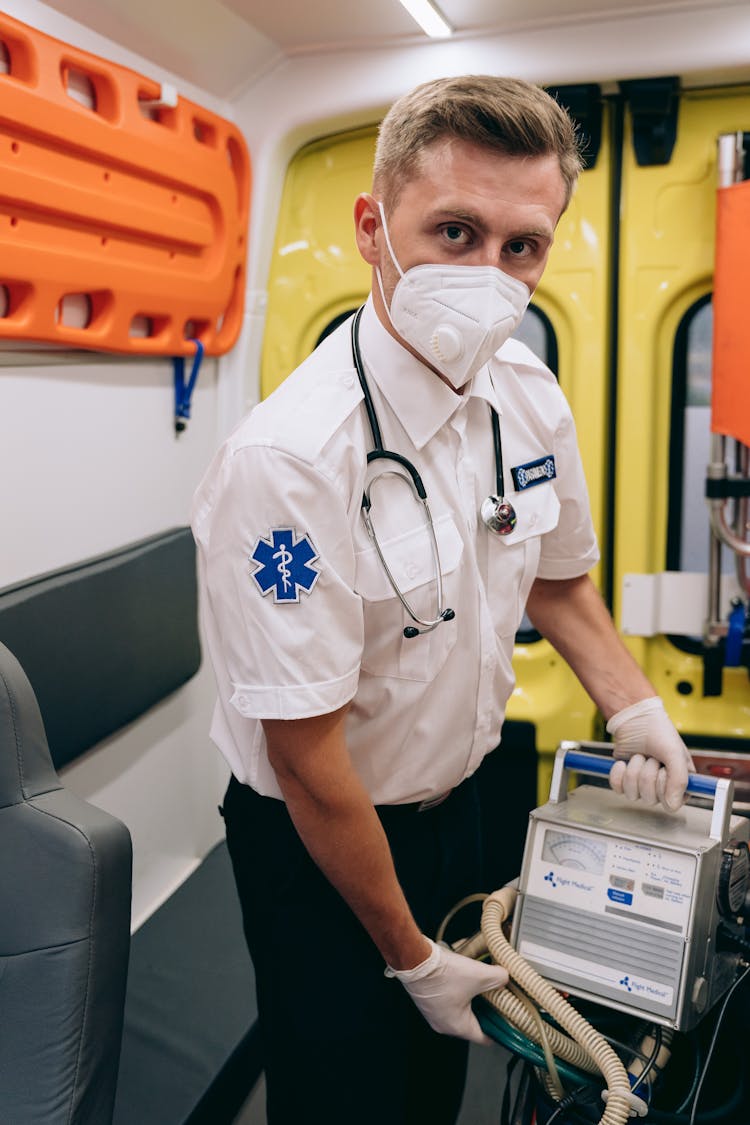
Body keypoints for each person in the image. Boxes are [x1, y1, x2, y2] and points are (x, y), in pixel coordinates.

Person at [191, 75, 694, 1125]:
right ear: (375, 228)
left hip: (467, 803)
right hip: (320, 843)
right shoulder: (290, 458)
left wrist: (637, 705)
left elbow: (559, 581)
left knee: (433, 1094)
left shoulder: (530, 396)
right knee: (345, 1095)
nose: (490, 277)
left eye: (523, 247)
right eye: (455, 232)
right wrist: (411, 956)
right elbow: (306, 758)